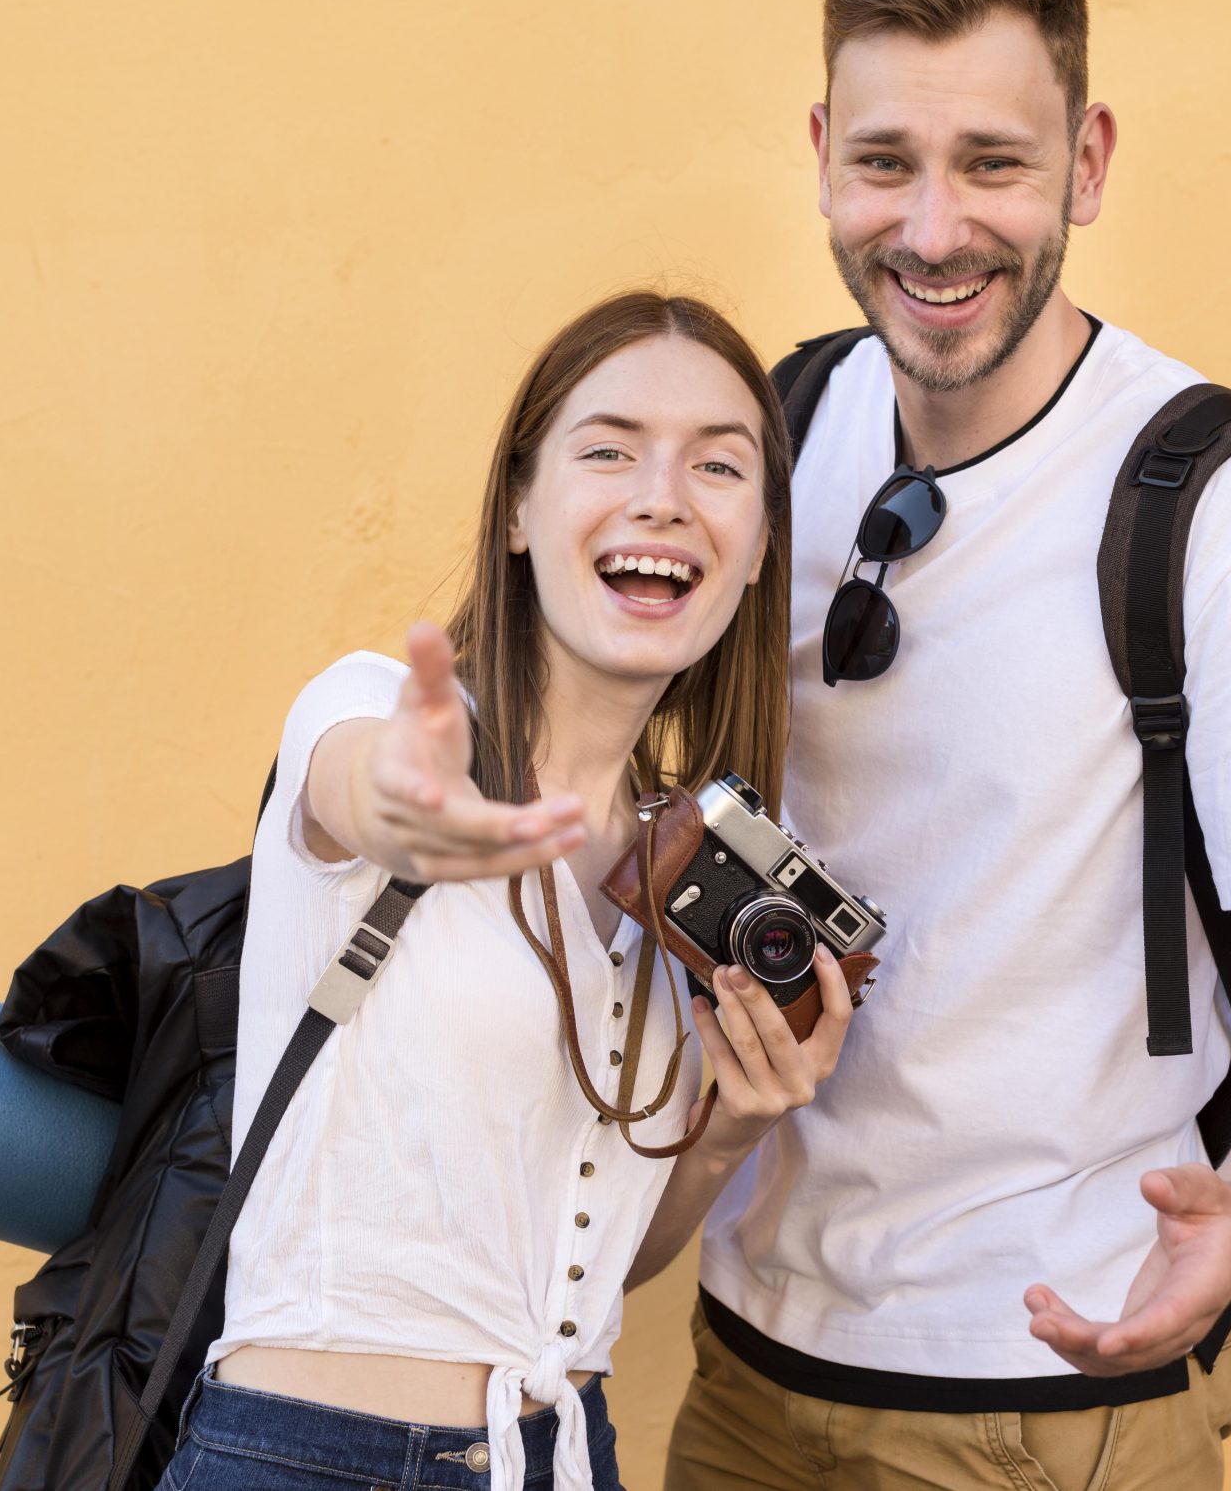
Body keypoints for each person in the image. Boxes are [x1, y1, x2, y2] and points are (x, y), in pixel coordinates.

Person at [657, 0, 1231, 1491]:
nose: (934, 230)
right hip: (744, 1370)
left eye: (993, 164)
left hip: (1047, 1395)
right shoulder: (771, 430)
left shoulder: (1220, 516)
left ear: (1086, 161)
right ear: (821, 156)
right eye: (887, 162)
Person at [164, 292, 858, 1491]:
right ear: (520, 512)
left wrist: (731, 1128)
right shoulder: (375, 709)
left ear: (755, 552)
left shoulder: (685, 884)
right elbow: (354, 784)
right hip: (311, 1458)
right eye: (609, 450)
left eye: (717, 465)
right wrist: (403, 802)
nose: (663, 496)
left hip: (564, 1452)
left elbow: (589, 1274)